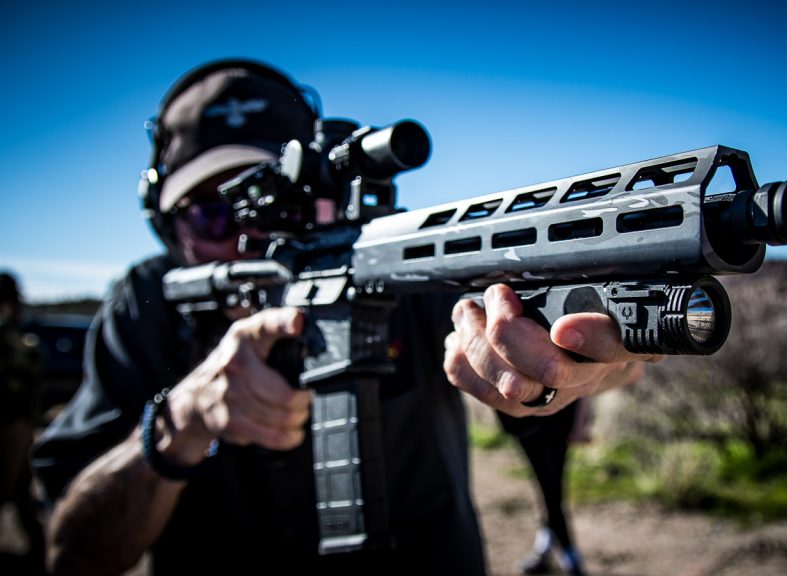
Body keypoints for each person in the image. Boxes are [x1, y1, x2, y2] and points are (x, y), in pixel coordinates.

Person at [31, 59, 655, 575]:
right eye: (215, 214)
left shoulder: (402, 264)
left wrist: (586, 356)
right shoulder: (144, 304)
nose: (251, 239)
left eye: (280, 204)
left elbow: (570, 345)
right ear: (169, 227)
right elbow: (72, 553)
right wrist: (181, 423)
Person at [499, 399, 588, 576]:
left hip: (561, 416)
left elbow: (583, 387)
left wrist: (580, 422)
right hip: (527, 422)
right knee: (549, 486)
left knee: (552, 487)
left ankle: (553, 550)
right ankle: (565, 553)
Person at [0, 271, 46, 575]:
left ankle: (40, 553)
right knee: (14, 487)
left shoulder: (12, 333)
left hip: (15, 423)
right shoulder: (11, 334)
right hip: (12, 423)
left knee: (19, 488)